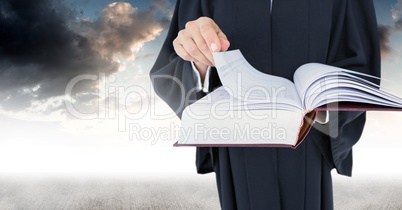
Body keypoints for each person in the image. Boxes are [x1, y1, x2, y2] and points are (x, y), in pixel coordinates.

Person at [150, 0, 380, 209]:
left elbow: (360, 63)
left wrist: (319, 106)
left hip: (308, 144)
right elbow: (172, 70)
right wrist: (198, 60)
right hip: (236, 143)